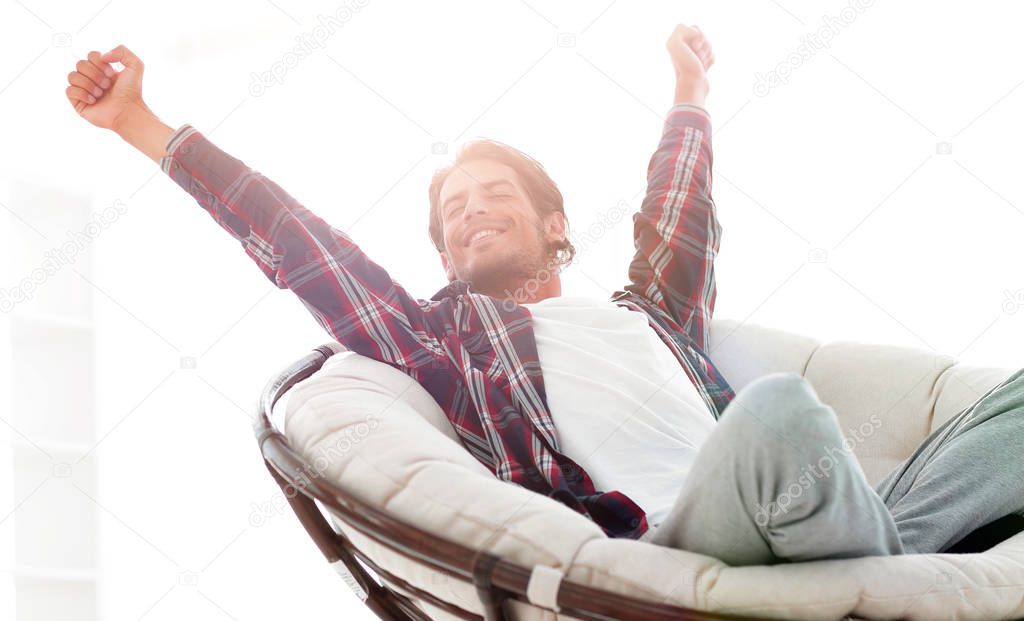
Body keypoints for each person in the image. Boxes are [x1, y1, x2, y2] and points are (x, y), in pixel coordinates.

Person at [65, 24, 1024, 566]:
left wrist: (689, 83)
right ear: (441, 250)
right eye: (453, 212)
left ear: (554, 226)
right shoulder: (444, 341)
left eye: (496, 197)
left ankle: (885, 557)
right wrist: (139, 124)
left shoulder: (647, 312)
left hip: (818, 509)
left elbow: (679, 206)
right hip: (684, 536)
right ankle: (899, 561)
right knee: (780, 415)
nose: (473, 214)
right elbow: (296, 238)